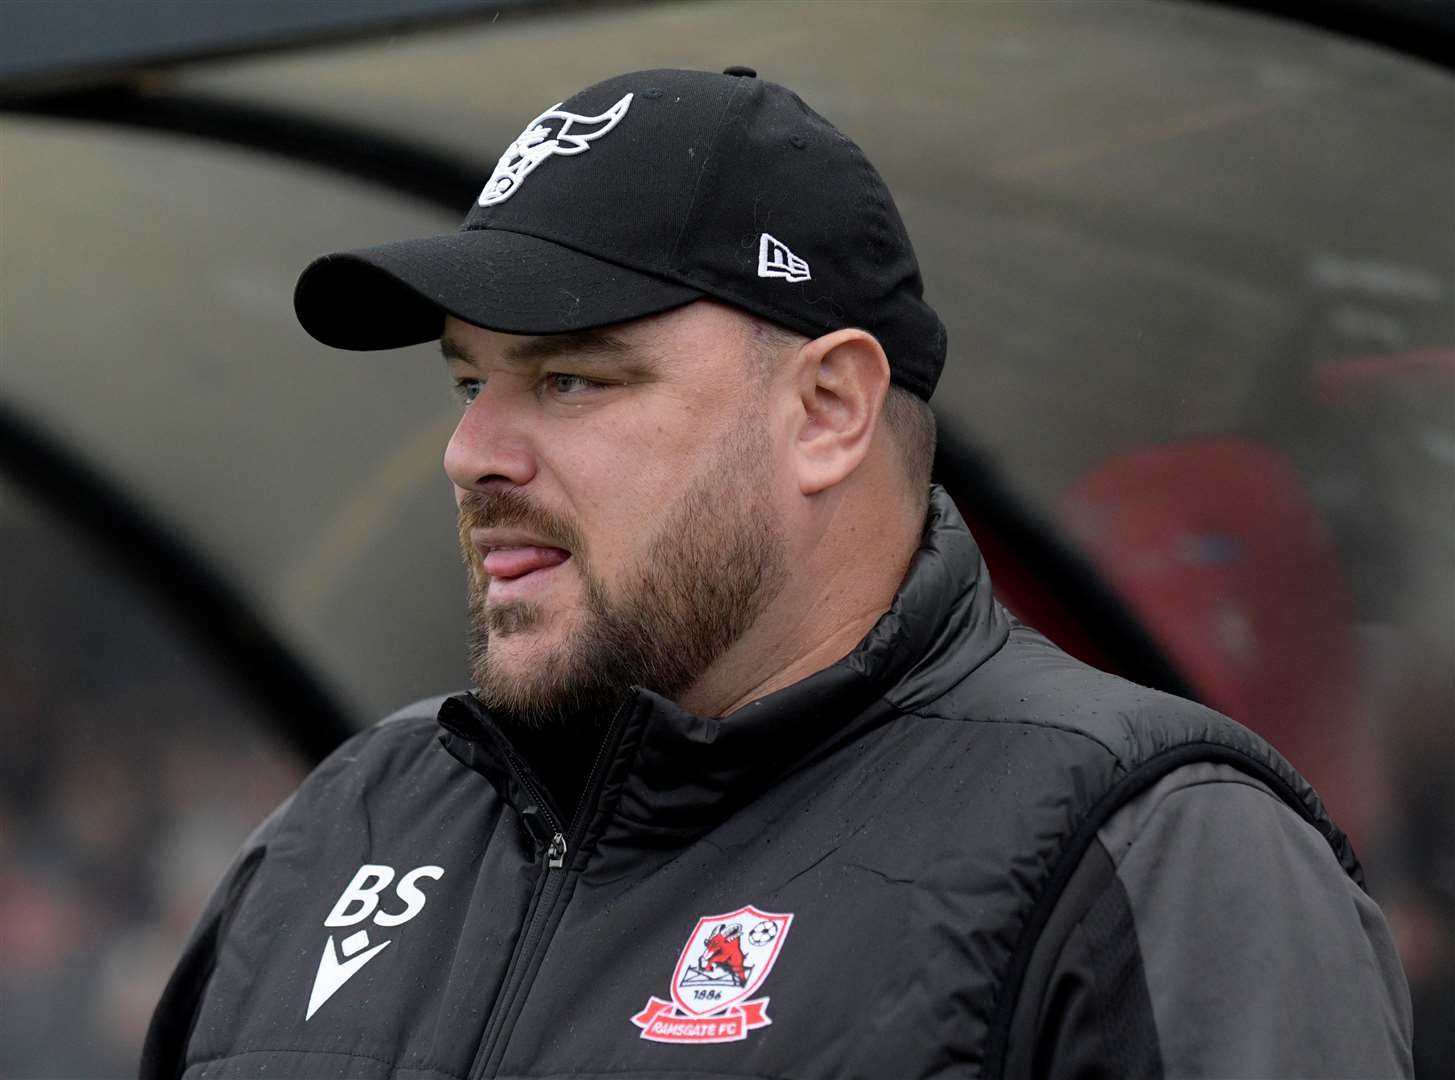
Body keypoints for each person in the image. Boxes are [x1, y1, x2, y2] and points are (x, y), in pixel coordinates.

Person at [142, 67, 1411, 1080]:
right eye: (472, 381)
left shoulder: (1148, 852)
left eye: (573, 377)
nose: (471, 451)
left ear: (828, 409)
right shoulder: (347, 827)